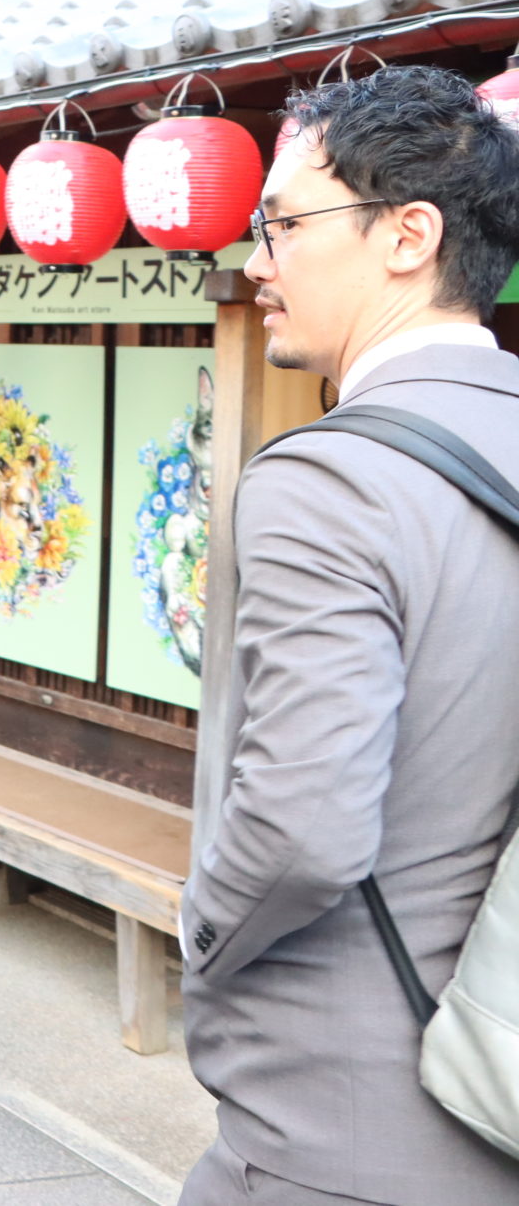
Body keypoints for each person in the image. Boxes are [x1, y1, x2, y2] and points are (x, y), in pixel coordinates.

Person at [180, 66, 519, 1206]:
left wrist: (203, 936)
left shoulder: (330, 481)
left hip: (343, 1120)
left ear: (407, 235)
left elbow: (302, 829)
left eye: (281, 223)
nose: (256, 263)